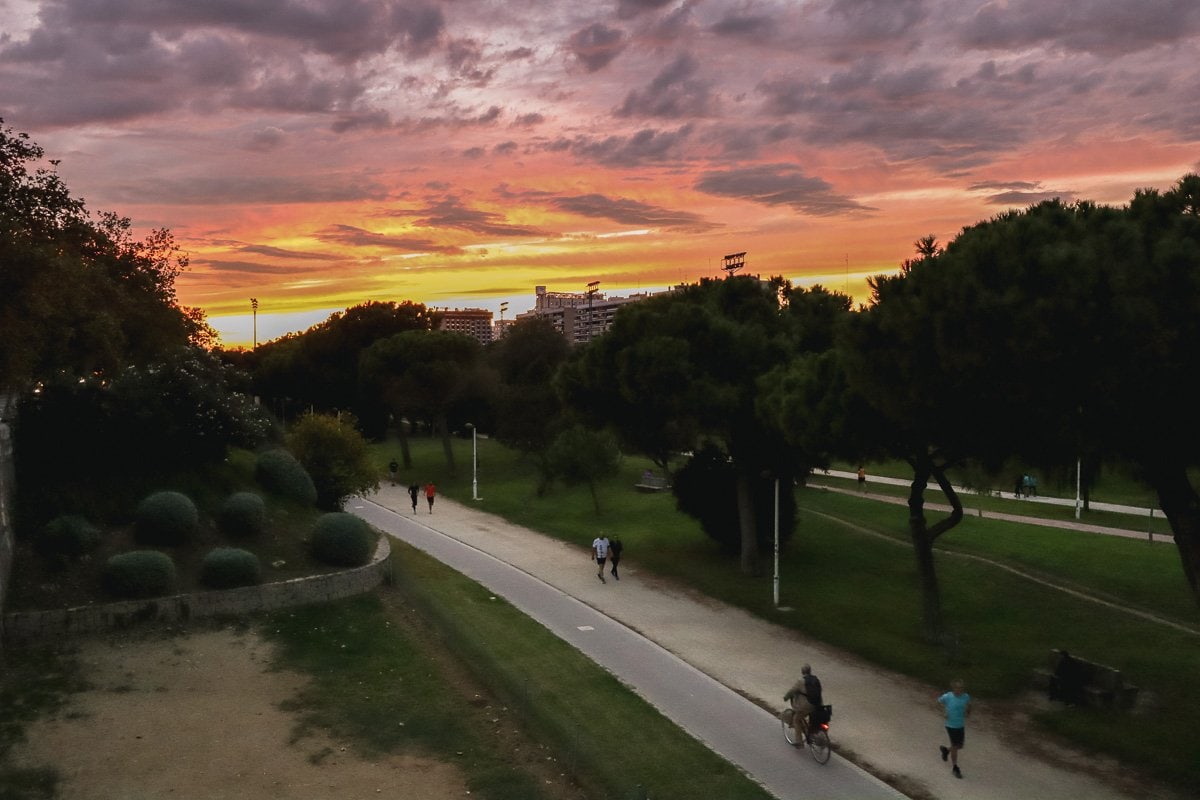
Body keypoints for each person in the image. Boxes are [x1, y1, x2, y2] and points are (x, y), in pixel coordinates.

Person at [937, 679, 971, 779]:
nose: (959, 690)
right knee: (955, 746)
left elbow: (969, 706)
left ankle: (946, 750)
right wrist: (944, 712)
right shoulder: (948, 696)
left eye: (961, 688)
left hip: (960, 725)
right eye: (957, 688)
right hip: (950, 725)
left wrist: (968, 712)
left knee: (959, 746)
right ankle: (955, 768)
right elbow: (939, 702)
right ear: (953, 688)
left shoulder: (966, 697)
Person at [783, 664, 822, 743]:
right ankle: (810, 733)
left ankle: (799, 742)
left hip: (806, 705)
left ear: (802, 672)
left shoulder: (801, 681)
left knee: (796, 719)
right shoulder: (816, 679)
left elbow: (792, 690)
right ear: (810, 671)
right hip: (817, 704)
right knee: (808, 718)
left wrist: (786, 697)